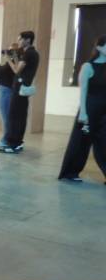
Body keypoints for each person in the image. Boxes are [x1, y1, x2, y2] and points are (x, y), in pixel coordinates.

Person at [58, 35, 106, 183]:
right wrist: (83, 113)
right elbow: (83, 91)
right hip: (90, 110)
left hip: (104, 112)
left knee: (104, 144)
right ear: (99, 47)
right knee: (81, 143)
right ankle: (70, 172)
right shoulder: (88, 67)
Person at [0, 31, 40, 154]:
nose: (19, 42)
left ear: (28, 40)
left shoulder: (28, 53)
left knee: (15, 116)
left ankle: (13, 144)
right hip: (22, 88)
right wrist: (15, 57)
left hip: (20, 88)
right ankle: (17, 143)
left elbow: (17, 70)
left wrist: (8, 58)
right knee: (20, 116)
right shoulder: (33, 53)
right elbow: (21, 67)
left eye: (21, 39)